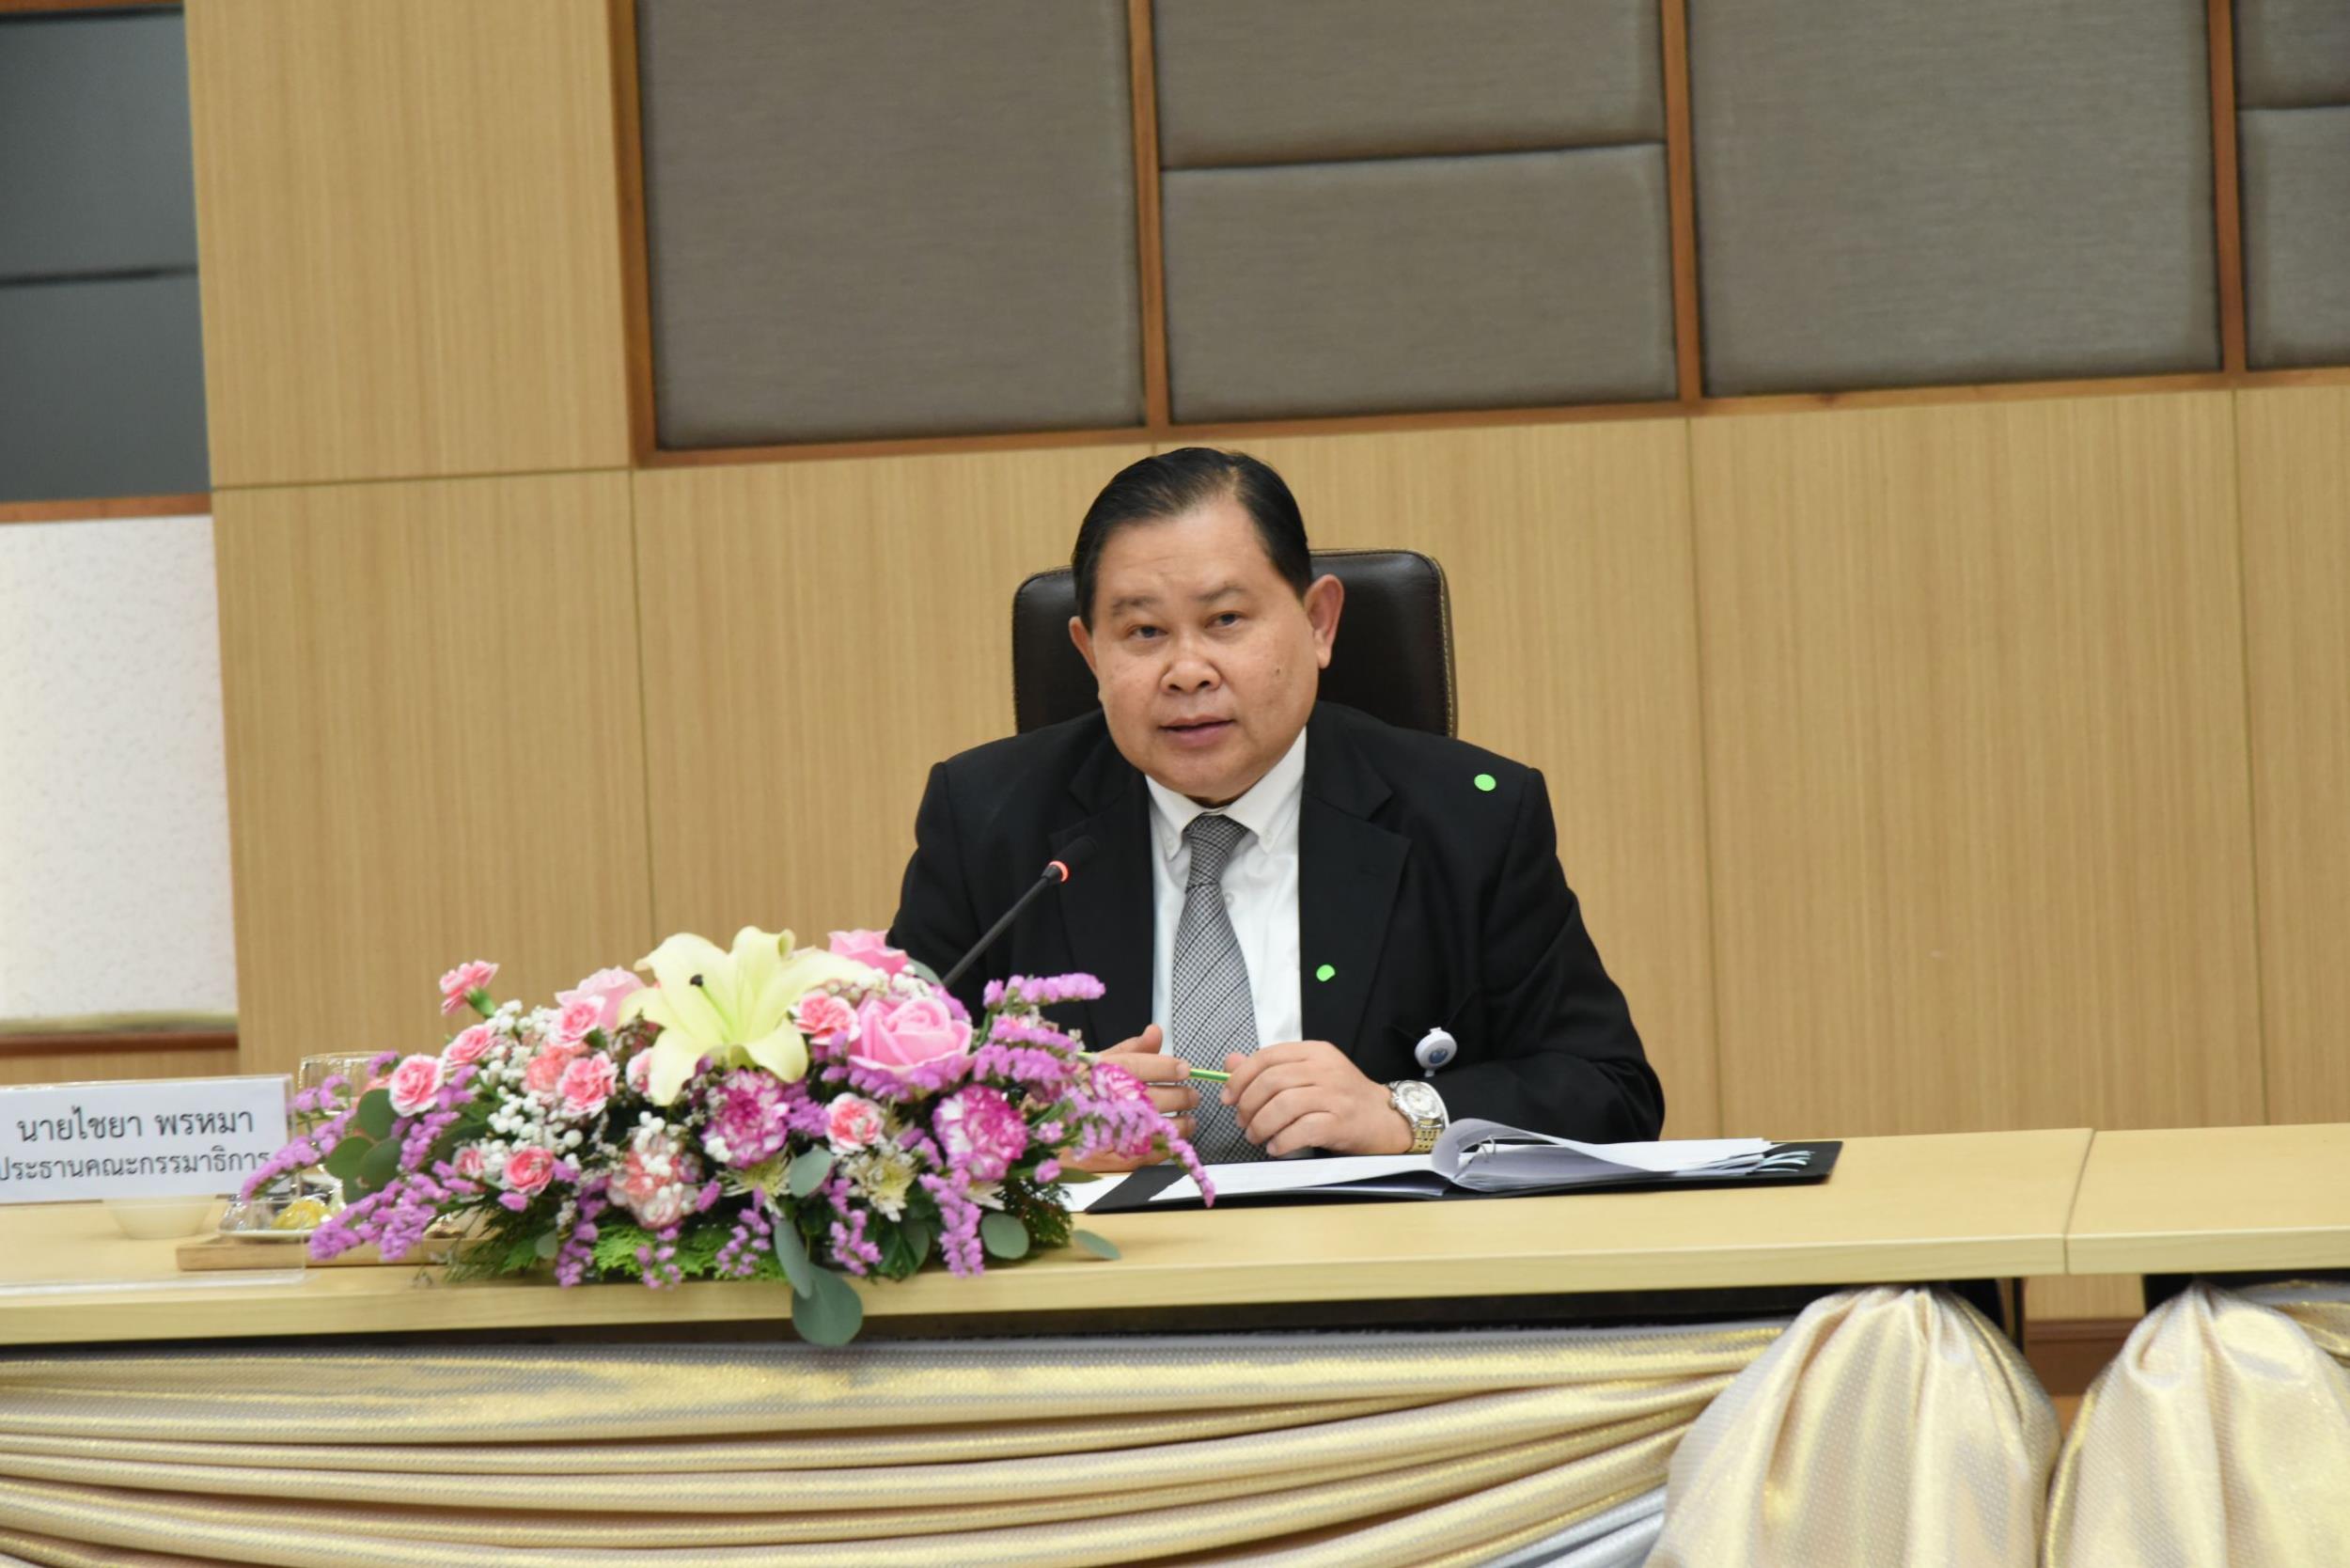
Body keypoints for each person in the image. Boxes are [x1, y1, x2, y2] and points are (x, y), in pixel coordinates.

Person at [887, 448, 1662, 1165]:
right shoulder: (988, 821)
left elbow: (1610, 1091)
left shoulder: (1469, 818)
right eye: (1144, 632)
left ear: (1319, 623)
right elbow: (873, 1108)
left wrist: (1404, 1113)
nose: (1187, 671)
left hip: (1380, 1261)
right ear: (1092, 654)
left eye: (1226, 620)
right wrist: (1034, 1135)